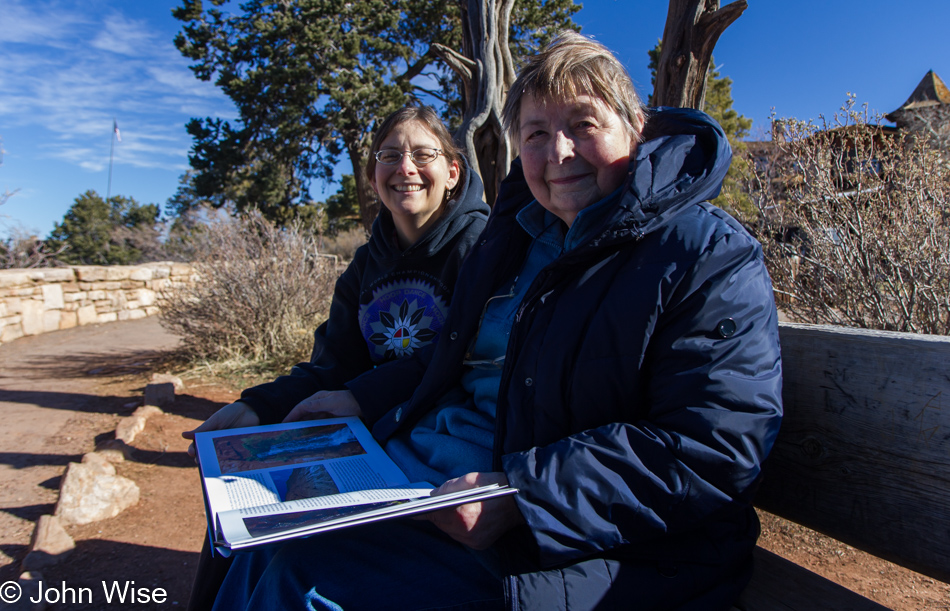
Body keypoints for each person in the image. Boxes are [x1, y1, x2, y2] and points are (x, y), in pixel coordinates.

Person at [213, 31, 783, 611]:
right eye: (536, 134)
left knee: (301, 576)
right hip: (423, 478)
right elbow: (446, 359)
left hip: (579, 542)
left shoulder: (706, 253)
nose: (559, 152)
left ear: (636, 126)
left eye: (584, 124)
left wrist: (523, 496)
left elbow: (716, 443)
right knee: (251, 540)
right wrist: (356, 397)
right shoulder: (514, 240)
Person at [182, 105, 490, 610]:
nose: (405, 168)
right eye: (390, 155)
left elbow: (458, 354)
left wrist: (359, 397)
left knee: (297, 563)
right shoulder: (366, 263)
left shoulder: (481, 248)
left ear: (453, 171)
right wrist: (256, 407)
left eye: (422, 154)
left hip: (433, 439)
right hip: (374, 429)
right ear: (373, 175)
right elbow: (333, 362)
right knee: (240, 522)